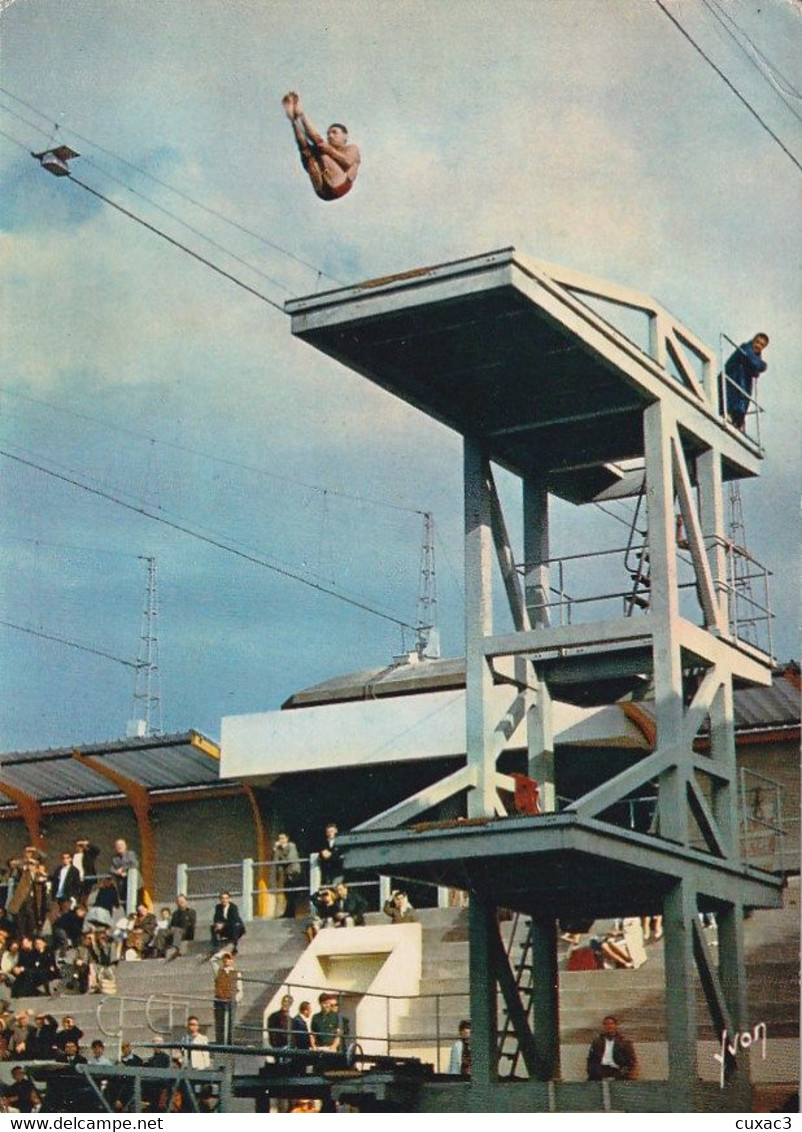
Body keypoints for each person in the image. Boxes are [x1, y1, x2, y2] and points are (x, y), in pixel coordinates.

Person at [282, 92, 360, 202]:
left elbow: (349, 163)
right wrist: (295, 121)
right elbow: (304, 147)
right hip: (322, 191)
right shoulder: (324, 150)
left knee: (321, 149)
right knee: (306, 151)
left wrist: (302, 115)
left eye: (334, 132)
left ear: (345, 136)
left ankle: (300, 115)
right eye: (328, 134)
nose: (330, 136)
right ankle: (294, 120)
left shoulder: (351, 148)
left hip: (341, 185)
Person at [723, 333, 768, 431]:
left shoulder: (754, 357)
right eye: (757, 342)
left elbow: (756, 371)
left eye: (762, 345)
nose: (758, 346)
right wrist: (763, 365)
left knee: (741, 405)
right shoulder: (745, 348)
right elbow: (757, 365)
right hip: (732, 383)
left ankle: (737, 420)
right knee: (734, 402)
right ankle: (732, 416)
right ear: (753, 340)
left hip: (742, 389)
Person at [586, 1015, 638, 1080]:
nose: (609, 1026)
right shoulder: (597, 1042)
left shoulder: (624, 1042)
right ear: (604, 1026)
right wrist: (592, 1070)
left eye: (611, 1024)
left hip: (617, 1070)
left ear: (615, 1026)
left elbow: (631, 1060)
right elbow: (591, 1059)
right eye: (606, 1024)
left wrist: (624, 1071)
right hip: (600, 1070)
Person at [211, 951, 242, 1045]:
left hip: (230, 1001)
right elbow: (212, 960)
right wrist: (222, 953)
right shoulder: (218, 971)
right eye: (224, 958)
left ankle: (230, 1044)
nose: (226, 960)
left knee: (230, 1024)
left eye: (228, 958)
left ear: (232, 960)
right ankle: (220, 1044)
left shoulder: (236, 973)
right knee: (220, 1024)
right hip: (220, 1000)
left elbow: (240, 989)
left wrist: (235, 999)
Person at [274, 833, 302, 919]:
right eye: (279, 839)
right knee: (287, 894)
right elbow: (275, 861)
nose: (281, 840)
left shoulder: (292, 846)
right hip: (286, 874)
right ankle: (288, 913)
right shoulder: (279, 849)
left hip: (294, 872)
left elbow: (290, 859)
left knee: (292, 894)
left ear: (287, 839)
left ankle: (291, 914)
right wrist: (275, 850)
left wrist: (281, 860)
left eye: (283, 838)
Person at [163, 894, 196, 960]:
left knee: (177, 930)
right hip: (175, 932)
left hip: (186, 932)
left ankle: (176, 949)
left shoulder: (191, 912)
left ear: (186, 902)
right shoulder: (175, 914)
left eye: (182, 901)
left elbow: (191, 924)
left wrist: (177, 929)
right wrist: (171, 928)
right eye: (178, 902)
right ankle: (160, 951)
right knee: (161, 931)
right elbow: (171, 925)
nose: (180, 903)